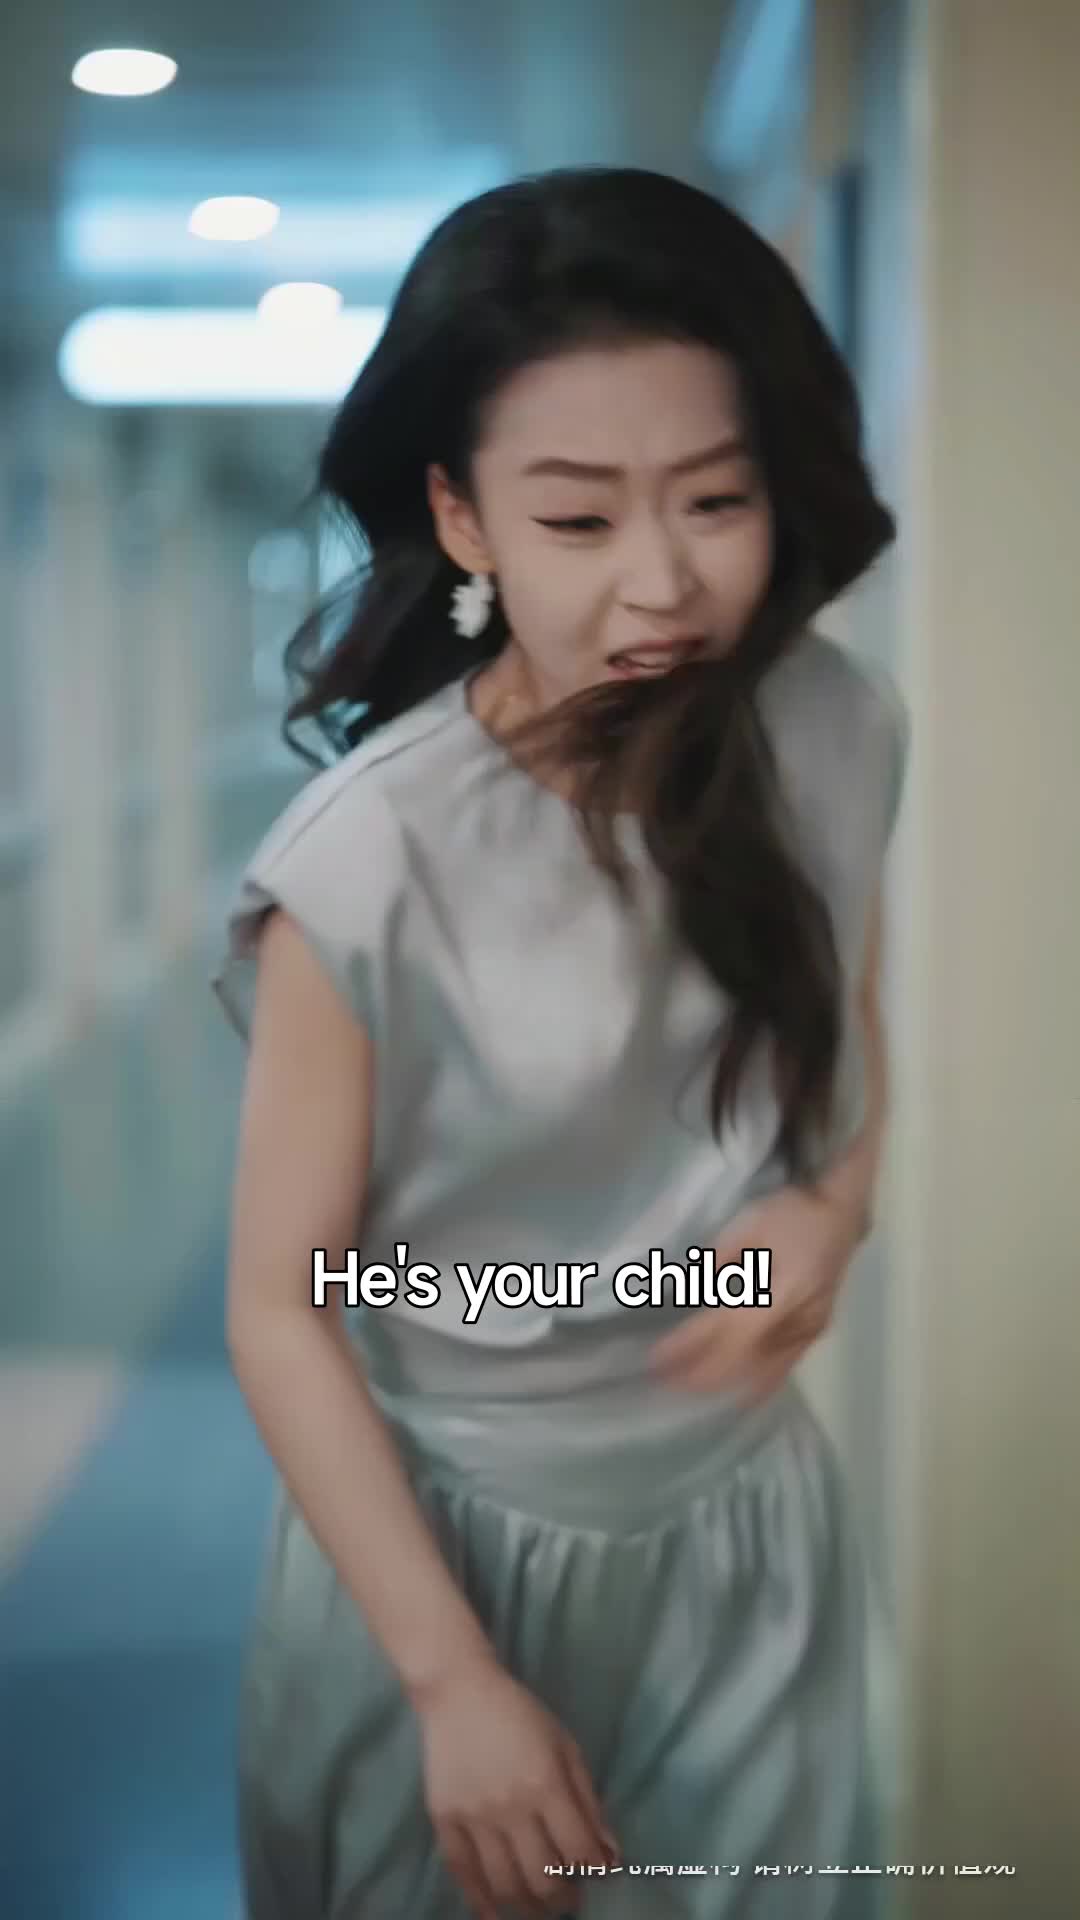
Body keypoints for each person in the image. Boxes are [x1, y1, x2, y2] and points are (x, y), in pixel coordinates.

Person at [213, 164, 909, 1920]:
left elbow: (845, 1042)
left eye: (717, 500)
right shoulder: (366, 861)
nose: (663, 582)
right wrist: (452, 1682)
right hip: (443, 1555)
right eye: (581, 521)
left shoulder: (835, 729)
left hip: (746, 1539)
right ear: (464, 521)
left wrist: (827, 1214)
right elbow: (281, 1309)